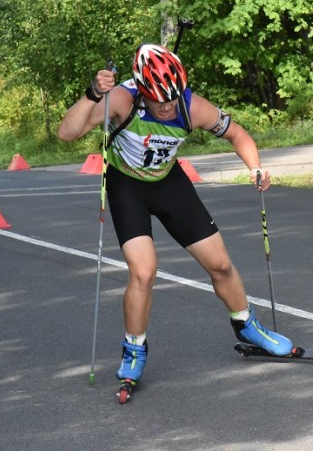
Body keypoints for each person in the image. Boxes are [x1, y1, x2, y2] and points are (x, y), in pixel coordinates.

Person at [57, 43, 293, 386]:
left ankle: (248, 326)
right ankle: (134, 350)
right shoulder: (123, 99)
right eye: (158, 101)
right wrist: (94, 94)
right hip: (127, 188)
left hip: (170, 184)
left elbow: (238, 134)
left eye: (172, 99)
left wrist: (256, 167)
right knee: (143, 272)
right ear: (141, 90)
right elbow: (67, 133)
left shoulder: (191, 106)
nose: (167, 108)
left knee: (221, 264)